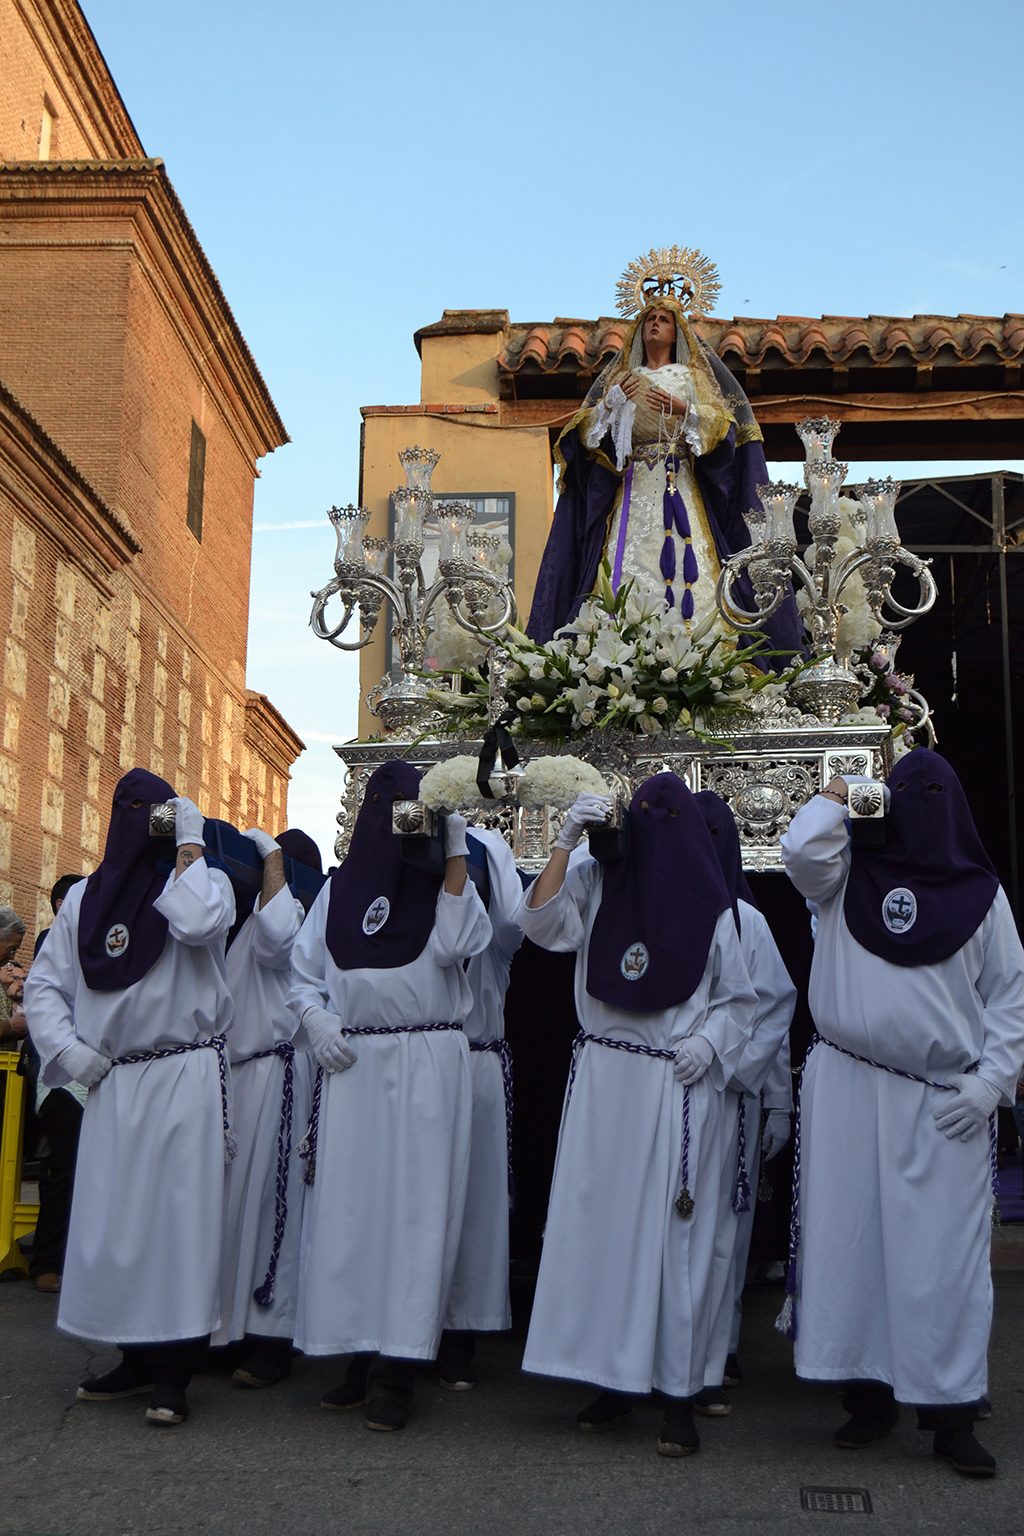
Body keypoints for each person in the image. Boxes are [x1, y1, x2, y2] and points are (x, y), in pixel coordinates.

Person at [779, 748, 1024, 1478]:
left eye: (923, 795)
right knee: (851, 1246)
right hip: (851, 1085)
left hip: (942, 1101)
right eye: (897, 794)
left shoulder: (984, 898)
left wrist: (993, 1084)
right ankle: (867, 1397)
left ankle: (950, 1411)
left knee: (938, 1262)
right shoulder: (844, 874)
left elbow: (1010, 999)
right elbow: (798, 849)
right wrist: (841, 791)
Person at [519, 774, 758, 1458]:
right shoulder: (597, 883)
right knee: (606, 1238)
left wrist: (708, 1044)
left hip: (674, 1085)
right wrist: (563, 843)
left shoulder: (713, 908)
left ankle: (678, 1396)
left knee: (673, 1247)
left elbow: (740, 1001)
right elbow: (539, 926)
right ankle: (610, 1378)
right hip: (605, 1080)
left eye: (663, 815)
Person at [24, 769, 236, 1427]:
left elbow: (200, 925)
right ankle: (132, 1355)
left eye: (154, 810)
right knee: (119, 1224)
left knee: (178, 1223)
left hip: (183, 1073)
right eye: (128, 809)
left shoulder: (203, 882)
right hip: (115, 1080)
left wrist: (192, 849)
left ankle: (174, 1370)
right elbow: (44, 987)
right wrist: (71, 1052)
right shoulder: (86, 898)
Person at [288, 761, 491, 1432]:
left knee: (414, 1214)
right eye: (387, 800)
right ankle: (354, 1354)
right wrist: (317, 1023)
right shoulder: (337, 890)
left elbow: (462, 944)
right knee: (350, 1214)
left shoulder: (444, 885)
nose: (397, 813)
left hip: (426, 1057)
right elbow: (302, 976)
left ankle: (397, 1368)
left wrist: (454, 848)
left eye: (413, 804)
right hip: (354, 1063)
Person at [526, 289, 803, 658]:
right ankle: (616, 645)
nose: (655, 325)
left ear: (677, 332)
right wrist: (609, 406)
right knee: (622, 558)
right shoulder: (623, 379)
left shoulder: (690, 377)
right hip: (632, 485)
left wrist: (683, 407)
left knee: (688, 556)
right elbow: (585, 435)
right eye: (649, 320)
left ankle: (700, 648)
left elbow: (723, 424)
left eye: (664, 320)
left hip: (679, 482)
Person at [691, 792, 795, 1414]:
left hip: (728, 1093)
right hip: (667, 1090)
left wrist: (768, 1097)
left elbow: (771, 1011)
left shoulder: (745, 921)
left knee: (724, 1231)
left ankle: (719, 1343)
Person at [214, 826, 322, 1388]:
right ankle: (226, 1329)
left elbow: (279, 941)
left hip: (279, 1077)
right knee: (231, 1213)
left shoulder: (292, 920)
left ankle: (271, 1337)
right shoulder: (238, 921)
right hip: (237, 1079)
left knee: (270, 1209)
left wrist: (275, 859)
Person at [438, 825, 524, 1390]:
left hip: (474, 1059)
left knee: (469, 1206)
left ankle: (458, 1338)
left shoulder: (489, 865)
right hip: (414, 1057)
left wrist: (474, 856)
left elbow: (516, 927)